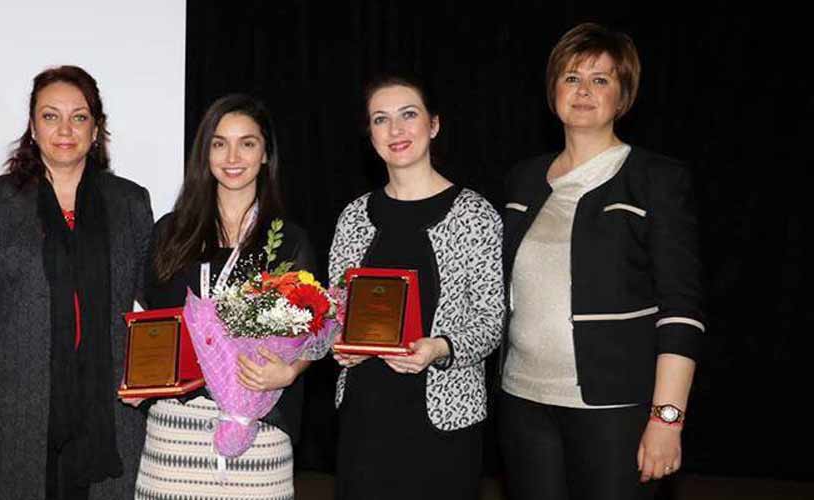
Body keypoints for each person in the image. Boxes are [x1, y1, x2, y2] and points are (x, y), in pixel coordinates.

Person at [498, 22, 704, 500]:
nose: (584, 91)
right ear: (553, 92)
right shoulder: (522, 179)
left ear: (623, 96)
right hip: (523, 402)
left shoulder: (655, 179)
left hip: (616, 408)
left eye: (601, 79)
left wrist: (666, 418)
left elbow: (681, 310)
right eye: (571, 78)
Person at [0, 65, 153, 500]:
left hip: (108, 411)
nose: (65, 129)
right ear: (32, 126)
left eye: (79, 117)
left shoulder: (131, 203)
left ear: (96, 129)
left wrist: (151, 382)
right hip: (15, 409)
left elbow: (153, 308)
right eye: (50, 116)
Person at [131, 94, 324, 499]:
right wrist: (137, 377)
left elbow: (318, 327)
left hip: (259, 426)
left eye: (247, 143)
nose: (232, 156)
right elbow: (148, 316)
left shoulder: (289, 240)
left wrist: (291, 372)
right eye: (219, 143)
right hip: (174, 430)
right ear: (205, 153)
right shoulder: (170, 232)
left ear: (266, 155)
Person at [328, 74, 504, 500]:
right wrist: (336, 340)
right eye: (381, 120)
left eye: (409, 115)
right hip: (364, 415)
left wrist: (438, 348)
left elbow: (492, 320)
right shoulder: (354, 215)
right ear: (370, 135)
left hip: (443, 418)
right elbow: (332, 309)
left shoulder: (475, 215)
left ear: (434, 124)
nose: (396, 130)